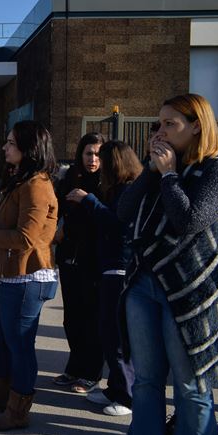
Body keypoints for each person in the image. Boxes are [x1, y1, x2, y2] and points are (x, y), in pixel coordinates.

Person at [116, 93, 218, 435]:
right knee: (146, 380)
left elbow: (189, 220)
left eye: (169, 124)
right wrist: (152, 172)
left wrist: (170, 177)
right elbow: (124, 211)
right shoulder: (157, 169)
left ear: (195, 126)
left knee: (190, 385)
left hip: (188, 291)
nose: (159, 132)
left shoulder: (215, 169)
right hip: (143, 283)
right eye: (158, 124)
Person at [0, 120, 59, 431]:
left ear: (29, 149)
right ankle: (0, 395)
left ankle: (18, 411)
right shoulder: (19, 179)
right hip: (4, 274)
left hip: (26, 277)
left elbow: (25, 238)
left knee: (19, 344)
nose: (4, 147)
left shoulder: (36, 185)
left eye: (11, 143)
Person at [66, 140, 141, 416]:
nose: (98, 165)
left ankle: (126, 395)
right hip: (108, 269)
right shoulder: (119, 189)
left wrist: (89, 200)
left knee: (118, 336)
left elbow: (117, 224)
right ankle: (114, 388)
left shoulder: (130, 190)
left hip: (120, 269)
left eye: (104, 160)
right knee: (108, 333)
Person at [53, 132, 106, 394]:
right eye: (88, 153)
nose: (93, 159)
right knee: (71, 318)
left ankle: (91, 374)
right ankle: (74, 367)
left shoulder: (107, 183)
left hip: (93, 260)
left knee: (91, 318)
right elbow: (59, 211)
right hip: (68, 256)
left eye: (98, 154)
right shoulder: (69, 178)